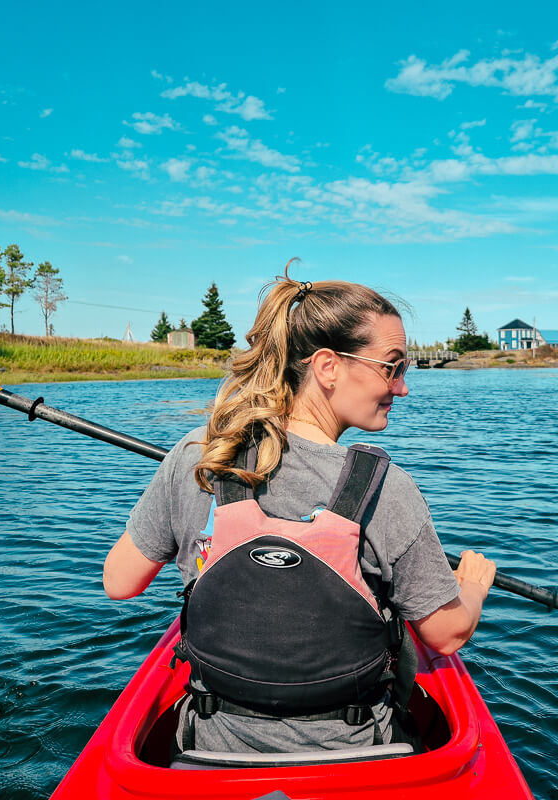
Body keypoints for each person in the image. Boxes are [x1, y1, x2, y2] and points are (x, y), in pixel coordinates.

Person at [101, 262, 496, 755]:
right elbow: (448, 634)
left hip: (211, 747)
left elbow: (118, 582)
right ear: (328, 367)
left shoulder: (195, 457)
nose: (402, 388)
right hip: (361, 751)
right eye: (392, 366)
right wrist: (473, 588)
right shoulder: (386, 488)